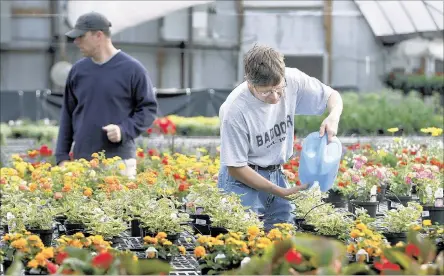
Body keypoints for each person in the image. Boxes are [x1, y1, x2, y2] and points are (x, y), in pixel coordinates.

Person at [217, 44, 343, 230]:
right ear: (250, 82)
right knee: (242, 240)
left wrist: (333, 117)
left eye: (279, 88)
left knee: (283, 235)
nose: (275, 97)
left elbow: (332, 96)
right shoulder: (235, 110)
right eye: (266, 92)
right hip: (242, 181)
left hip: (276, 172)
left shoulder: (292, 79)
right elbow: (236, 167)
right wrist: (280, 192)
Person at [55, 12, 158, 178]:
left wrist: (123, 130)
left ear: (98, 35)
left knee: (120, 205)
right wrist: (62, 157)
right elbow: (67, 114)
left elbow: (148, 109)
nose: (76, 41)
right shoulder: (78, 71)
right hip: (83, 163)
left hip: (119, 163)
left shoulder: (133, 70)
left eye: (81, 36)